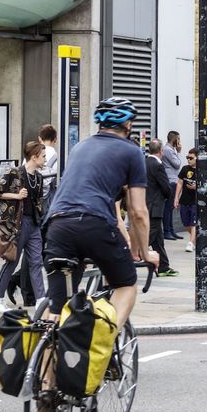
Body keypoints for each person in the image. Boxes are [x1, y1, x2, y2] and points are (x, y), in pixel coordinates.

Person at [42, 97, 156, 330]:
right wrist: (145, 253)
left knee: (56, 309)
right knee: (125, 284)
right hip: (94, 225)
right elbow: (138, 212)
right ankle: (101, 345)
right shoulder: (131, 151)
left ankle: (42, 363)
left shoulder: (80, 146)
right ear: (128, 125)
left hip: (56, 226)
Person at [0, 141, 47, 313]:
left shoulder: (38, 177)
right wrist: (16, 195)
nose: (45, 160)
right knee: (12, 261)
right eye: (43, 157)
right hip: (17, 224)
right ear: (34, 156)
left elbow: (38, 201)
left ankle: (41, 300)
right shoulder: (14, 172)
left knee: (36, 262)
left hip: (34, 224)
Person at [145, 139, 177, 276]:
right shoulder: (158, 165)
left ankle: (164, 266)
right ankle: (127, 257)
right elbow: (165, 186)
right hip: (156, 206)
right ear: (161, 151)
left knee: (158, 239)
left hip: (146, 205)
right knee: (149, 237)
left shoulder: (144, 162)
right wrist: (168, 195)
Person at [174, 148, 199, 253]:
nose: (189, 160)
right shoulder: (185, 169)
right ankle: (195, 238)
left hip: (195, 201)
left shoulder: (201, 171)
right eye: (187, 158)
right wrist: (176, 198)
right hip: (184, 200)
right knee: (186, 223)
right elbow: (179, 183)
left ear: (197, 158)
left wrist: (196, 187)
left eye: (191, 158)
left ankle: (191, 243)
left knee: (193, 223)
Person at [162, 131, 185, 241]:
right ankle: (167, 231)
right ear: (174, 139)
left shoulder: (170, 150)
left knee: (171, 207)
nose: (179, 142)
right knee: (168, 207)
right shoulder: (168, 150)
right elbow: (177, 164)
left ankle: (171, 230)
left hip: (173, 180)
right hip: (171, 181)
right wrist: (179, 152)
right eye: (178, 139)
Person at [37, 124, 59, 198]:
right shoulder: (58, 158)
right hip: (49, 199)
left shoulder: (31, 155)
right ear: (55, 139)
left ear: (39, 138)